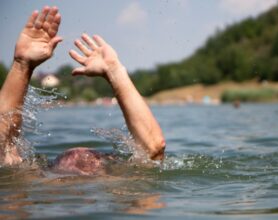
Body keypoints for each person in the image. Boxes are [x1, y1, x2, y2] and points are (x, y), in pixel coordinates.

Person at [0, 6, 165, 175]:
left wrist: (22, 65)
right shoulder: (120, 187)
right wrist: (115, 72)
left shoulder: (35, 182)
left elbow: (4, 147)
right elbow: (152, 150)